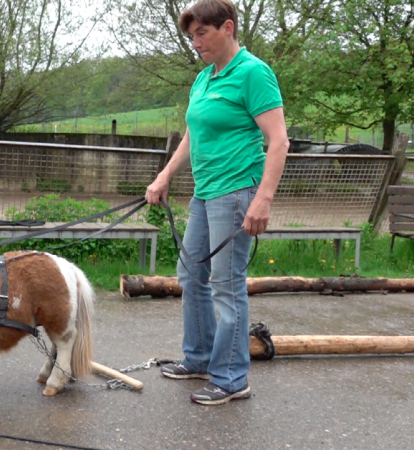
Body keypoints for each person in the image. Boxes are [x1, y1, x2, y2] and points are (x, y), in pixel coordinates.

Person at [145, 0, 289, 406]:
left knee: (225, 286)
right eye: (192, 36)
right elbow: (192, 134)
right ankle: (200, 357)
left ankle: (231, 378)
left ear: (227, 28)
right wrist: (164, 175)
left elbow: (278, 141)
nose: (195, 43)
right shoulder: (204, 79)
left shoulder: (253, 73)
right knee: (191, 275)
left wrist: (263, 199)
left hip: (238, 192)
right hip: (205, 194)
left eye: (201, 34)